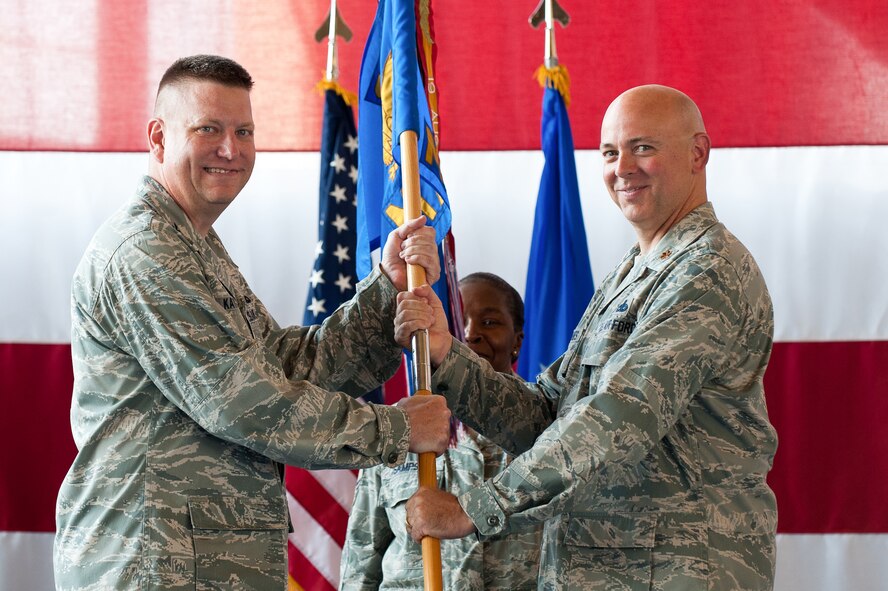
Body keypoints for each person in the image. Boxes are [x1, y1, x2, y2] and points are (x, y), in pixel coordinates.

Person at [53, 55, 452, 590]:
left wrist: (384, 295)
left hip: (200, 558)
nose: (230, 149)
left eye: (244, 131)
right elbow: (241, 403)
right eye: (208, 129)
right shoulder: (146, 252)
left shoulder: (192, 244)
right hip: (155, 563)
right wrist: (397, 429)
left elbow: (286, 365)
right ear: (158, 137)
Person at [396, 85, 779, 590]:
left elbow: (621, 414)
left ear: (698, 153)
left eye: (643, 147)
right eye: (609, 152)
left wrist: (476, 506)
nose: (622, 168)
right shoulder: (633, 272)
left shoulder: (708, 271)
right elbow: (548, 414)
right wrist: (448, 355)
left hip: (679, 571)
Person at [340, 272, 541, 590]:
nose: (472, 333)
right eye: (460, 320)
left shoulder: (549, 429)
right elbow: (363, 561)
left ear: (517, 340)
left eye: (490, 322)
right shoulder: (401, 427)